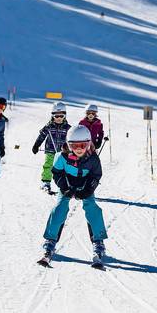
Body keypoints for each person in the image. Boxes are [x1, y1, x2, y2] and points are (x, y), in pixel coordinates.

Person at [40, 125, 107, 264]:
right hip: (67, 185)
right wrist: (64, 188)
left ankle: (98, 241)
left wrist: (88, 190)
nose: (79, 149)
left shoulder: (93, 159)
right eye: (74, 145)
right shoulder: (61, 157)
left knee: (92, 208)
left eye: (83, 145)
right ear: (68, 145)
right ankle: (50, 240)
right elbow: (57, 173)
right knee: (59, 208)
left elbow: (96, 176)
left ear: (89, 144)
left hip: (85, 185)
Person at [32, 102, 70, 193]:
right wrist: (36, 145)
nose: (59, 118)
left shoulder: (68, 128)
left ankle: (66, 185)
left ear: (65, 116)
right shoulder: (49, 126)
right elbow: (42, 135)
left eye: (61, 116)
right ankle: (46, 183)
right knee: (48, 166)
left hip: (63, 152)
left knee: (64, 168)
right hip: (50, 150)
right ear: (52, 116)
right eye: (56, 116)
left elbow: (71, 139)